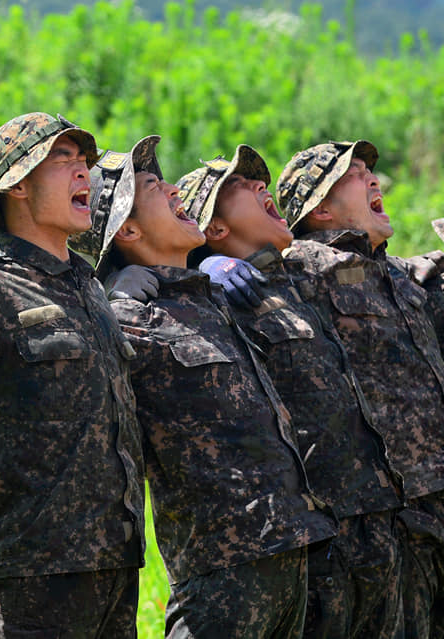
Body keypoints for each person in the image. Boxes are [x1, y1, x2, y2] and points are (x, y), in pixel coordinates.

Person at [72, 136, 336, 639]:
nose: (174, 190)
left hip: (290, 547)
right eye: (153, 186)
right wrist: (103, 302)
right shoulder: (128, 316)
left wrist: (210, 265)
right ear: (127, 228)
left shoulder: (212, 300)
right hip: (222, 566)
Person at [0, 113, 145, 638]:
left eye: (84, 162)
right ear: (17, 186)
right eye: (64, 161)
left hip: (116, 566)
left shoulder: (88, 289)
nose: (84, 173)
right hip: (33, 577)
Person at [176, 145, 405, 639]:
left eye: (262, 184)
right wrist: (205, 270)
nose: (263, 187)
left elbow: (378, 272)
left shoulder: (298, 276)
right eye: (241, 187)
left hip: (371, 520)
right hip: (297, 537)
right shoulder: (215, 297)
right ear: (214, 230)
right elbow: (149, 289)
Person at [273, 141, 444, 639]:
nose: (374, 180)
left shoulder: (396, 273)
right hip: (373, 521)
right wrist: (208, 264)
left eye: (372, 170)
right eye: (355, 174)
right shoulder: (299, 268)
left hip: (431, 503)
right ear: (320, 208)